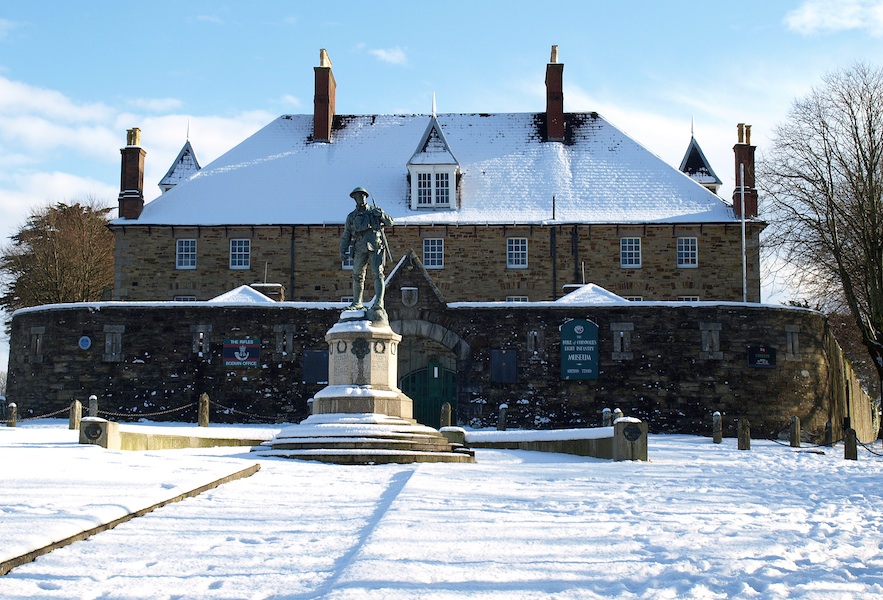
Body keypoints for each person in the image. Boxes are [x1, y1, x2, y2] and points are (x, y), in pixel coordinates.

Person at [339, 187, 393, 317]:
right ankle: (357, 302)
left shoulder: (374, 211)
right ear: (354, 198)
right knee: (357, 274)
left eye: (362, 196)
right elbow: (346, 235)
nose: (360, 198)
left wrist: (381, 215)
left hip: (375, 245)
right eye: (358, 196)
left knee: (378, 274)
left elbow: (390, 222)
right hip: (359, 247)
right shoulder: (351, 217)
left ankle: (379, 302)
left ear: (366, 197)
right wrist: (343, 250)